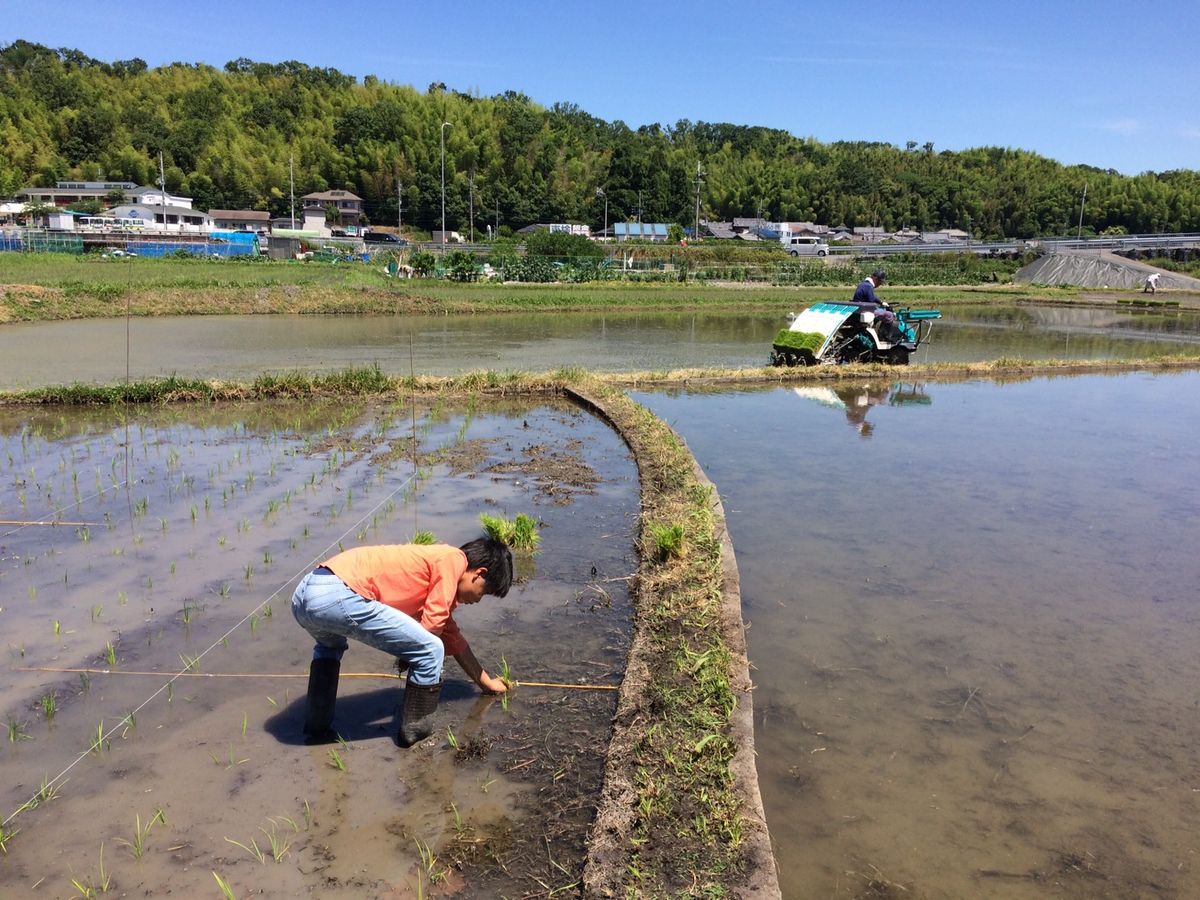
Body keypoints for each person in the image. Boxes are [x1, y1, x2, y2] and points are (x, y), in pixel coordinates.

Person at [291, 537, 514, 747]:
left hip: (305, 595)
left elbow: (453, 637)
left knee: (330, 647)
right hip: (338, 594)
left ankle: (316, 728)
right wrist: (410, 657)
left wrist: (486, 683)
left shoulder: (435, 571)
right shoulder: (453, 559)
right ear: (479, 573)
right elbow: (433, 626)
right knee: (431, 650)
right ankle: (416, 738)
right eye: (484, 593)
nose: (477, 600)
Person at [852, 270, 899, 339]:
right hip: (864, 310)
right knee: (889, 315)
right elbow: (871, 300)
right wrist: (881, 304)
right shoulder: (868, 286)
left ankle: (876, 329)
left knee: (882, 311)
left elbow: (872, 297)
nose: (879, 285)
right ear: (876, 279)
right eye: (880, 282)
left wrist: (881, 302)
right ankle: (887, 337)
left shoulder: (863, 284)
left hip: (859, 309)